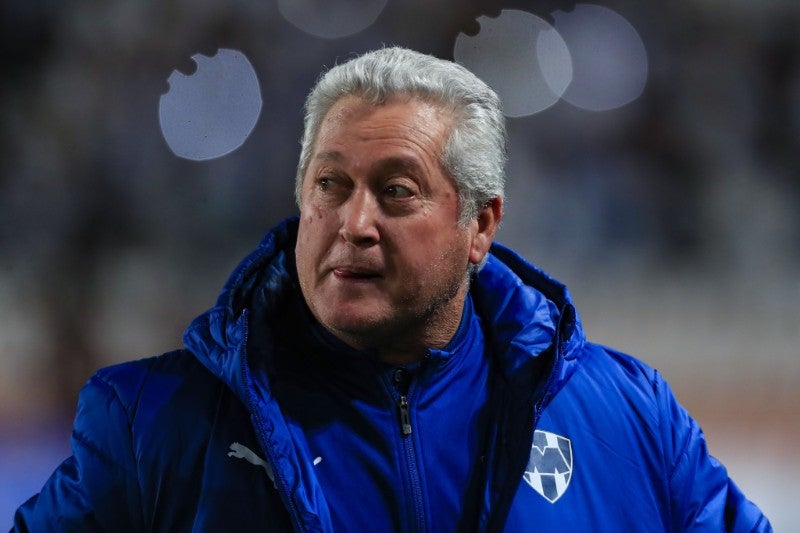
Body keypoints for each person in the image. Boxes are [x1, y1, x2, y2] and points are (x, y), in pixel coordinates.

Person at [13, 46, 770, 532]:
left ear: (480, 225)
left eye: (397, 191)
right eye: (330, 185)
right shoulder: (151, 426)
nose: (354, 223)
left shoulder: (629, 417)